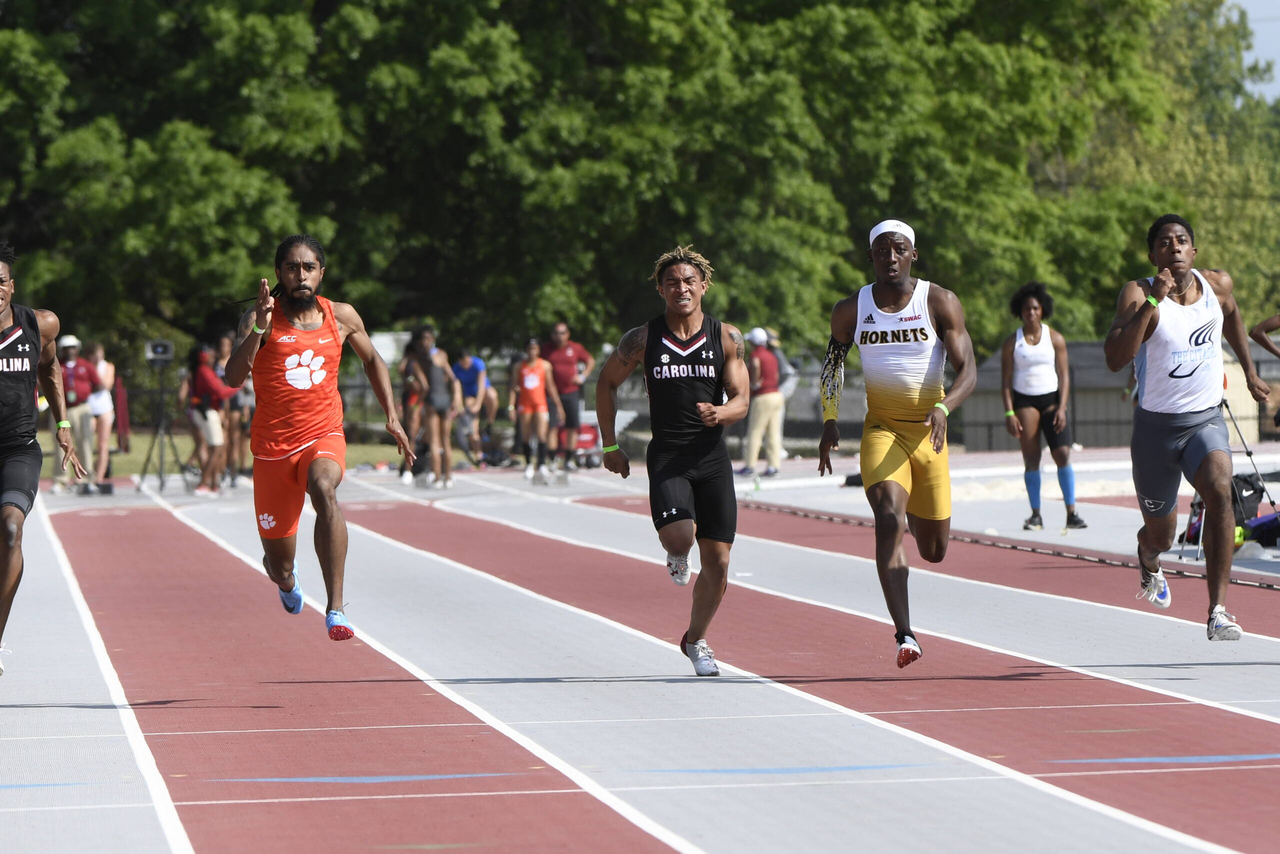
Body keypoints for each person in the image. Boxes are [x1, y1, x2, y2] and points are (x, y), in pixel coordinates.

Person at [224, 234, 414, 641]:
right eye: (292, 268)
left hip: (323, 434)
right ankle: (289, 585)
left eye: (308, 267)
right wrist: (258, 325)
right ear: (279, 274)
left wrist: (392, 417)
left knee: (324, 487)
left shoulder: (341, 316)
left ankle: (336, 608)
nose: (300, 275)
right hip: (273, 450)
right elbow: (233, 377)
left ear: (321, 273)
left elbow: (373, 360)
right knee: (280, 566)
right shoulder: (262, 318)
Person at [818, 219, 977, 668]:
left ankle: (914, 517)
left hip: (930, 432)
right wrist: (830, 420)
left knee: (934, 550)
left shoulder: (940, 301)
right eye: (882, 250)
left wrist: (945, 409)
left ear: (913, 255)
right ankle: (905, 633)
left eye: (899, 249)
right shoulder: (850, 309)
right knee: (888, 519)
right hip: (882, 430)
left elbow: (968, 370)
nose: (891, 257)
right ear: (870, 257)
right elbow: (832, 364)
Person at [1104, 213, 1269, 641]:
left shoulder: (1216, 285)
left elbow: (1231, 315)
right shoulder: (1138, 292)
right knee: (1163, 533)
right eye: (1164, 242)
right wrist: (1153, 304)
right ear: (1152, 254)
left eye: (1182, 241)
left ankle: (1217, 610)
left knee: (1219, 488)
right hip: (1155, 431)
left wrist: (1249, 372)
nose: (1174, 247)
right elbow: (1115, 358)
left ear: (1193, 252)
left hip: (1205, 420)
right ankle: (1148, 556)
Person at [596, 246, 750, 676]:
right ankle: (677, 553)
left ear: (704, 286)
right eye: (672, 282)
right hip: (668, 455)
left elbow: (742, 400)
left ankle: (696, 640)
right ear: (660, 289)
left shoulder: (726, 337)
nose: (681, 288)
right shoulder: (643, 338)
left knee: (719, 562)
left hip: (713, 458)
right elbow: (605, 383)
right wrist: (610, 445)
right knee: (682, 538)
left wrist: (721, 413)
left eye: (688, 281)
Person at [0, 240, 87, 674]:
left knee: (11, 530)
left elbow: (49, 369)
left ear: (11, 286)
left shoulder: (41, 325)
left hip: (18, 447)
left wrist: (64, 424)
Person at [999, 282, 1086, 531]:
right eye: (1027, 309)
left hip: (1051, 400)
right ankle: (1036, 514)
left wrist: (1062, 407)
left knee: (1063, 454)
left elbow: (1064, 375)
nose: (1031, 313)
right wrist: (1009, 412)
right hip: (1025, 401)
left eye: (1036, 308)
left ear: (1043, 310)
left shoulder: (1055, 338)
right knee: (1032, 457)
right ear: (1020, 311)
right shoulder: (1011, 342)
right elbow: (1005, 381)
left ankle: (1072, 512)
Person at [509, 338, 564, 482]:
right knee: (526, 435)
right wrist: (511, 406)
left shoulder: (545, 365)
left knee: (541, 434)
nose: (532, 351)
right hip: (525, 404)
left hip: (540, 403)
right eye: (529, 349)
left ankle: (541, 464)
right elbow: (513, 388)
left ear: (538, 350)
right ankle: (528, 464)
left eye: (534, 348)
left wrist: (558, 405)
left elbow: (551, 386)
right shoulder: (519, 366)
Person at [52, 335, 102, 494]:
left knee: (85, 443)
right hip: (62, 409)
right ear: (62, 350)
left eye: (73, 347)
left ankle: (87, 479)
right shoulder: (56, 365)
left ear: (77, 349)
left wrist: (84, 393)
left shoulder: (85, 365)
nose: (70, 351)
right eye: (67, 348)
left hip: (82, 408)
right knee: (62, 445)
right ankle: (61, 479)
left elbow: (98, 384)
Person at [543, 322, 596, 470]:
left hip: (571, 392)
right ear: (552, 334)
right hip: (551, 393)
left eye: (562, 333)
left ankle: (568, 460)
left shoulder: (575, 348)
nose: (559, 336)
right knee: (552, 426)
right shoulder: (546, 350)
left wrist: (582, 376)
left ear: (568, 334)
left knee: (572, 426)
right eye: (556, 333)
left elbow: (590, 361)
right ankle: (552, 460)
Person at [188, 343, 239, 496]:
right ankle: (204, 483)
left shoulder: (206, 370)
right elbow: (221, 392)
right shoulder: (203, 371)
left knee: (213, 447)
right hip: (207, 411)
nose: (213, 356)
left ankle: (213, 483)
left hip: (209, 410)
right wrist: (238, 386)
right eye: (209, 354)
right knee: (216, 447)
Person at [416, 327, 462, 488]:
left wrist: (417, 405)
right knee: (446, 441)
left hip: (432, 401)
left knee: (434, 442)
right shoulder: (442, 355)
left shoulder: (419, 360)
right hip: (445, 399)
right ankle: (448, 477)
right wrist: (456, 397)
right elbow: (453, 379)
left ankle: (436, 478)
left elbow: (424, 387)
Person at [737, 326, 784, 477]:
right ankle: (773, 466)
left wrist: (754, 383)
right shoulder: (772, 355)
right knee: (773, 433)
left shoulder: (756, 354)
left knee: (755, 431)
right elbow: (776, 374)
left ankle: (750, 465)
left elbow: (756, 365)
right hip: (776, 394)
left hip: (763, 396)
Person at [453, 348, 497, 467]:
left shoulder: (478, 364)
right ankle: (479, 455)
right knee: (471, 428)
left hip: (483, 392)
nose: (465, 364)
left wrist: (478, 404)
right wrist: (459, 406)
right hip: (469, 396)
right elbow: (457, 390)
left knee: (492, 396)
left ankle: (489, 423)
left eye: (466, 361)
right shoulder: (457, 368)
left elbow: (481, 386)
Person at [215, 332, 248, 487]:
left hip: (235, 402)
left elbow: (243, 387)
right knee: (223, 439)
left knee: (235, 439)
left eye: (227, 345)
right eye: (222, 345)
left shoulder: (235, 361)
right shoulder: (215, 364)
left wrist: (245, 407)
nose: (224, 348)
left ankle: (234, 471)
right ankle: (221, 470)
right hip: (221, 401)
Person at [85, 342, 117, 494]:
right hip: (89, 407)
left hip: (104, 407)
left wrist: (94, 374)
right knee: (86, 441)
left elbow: (106, 384)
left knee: (103, 444)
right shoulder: (85, 366)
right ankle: (86, 475)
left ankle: (99, 477)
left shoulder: (108, 366)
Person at [396, 336, 427, 485]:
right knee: (409, 435)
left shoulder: (414, 365)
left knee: (412, 437)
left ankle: (409, 470)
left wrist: (417, 405)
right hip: (409, 399)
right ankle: (408, 468)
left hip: (414, 401)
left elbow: (423, 387)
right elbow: (401, 370)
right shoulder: (410, 366)